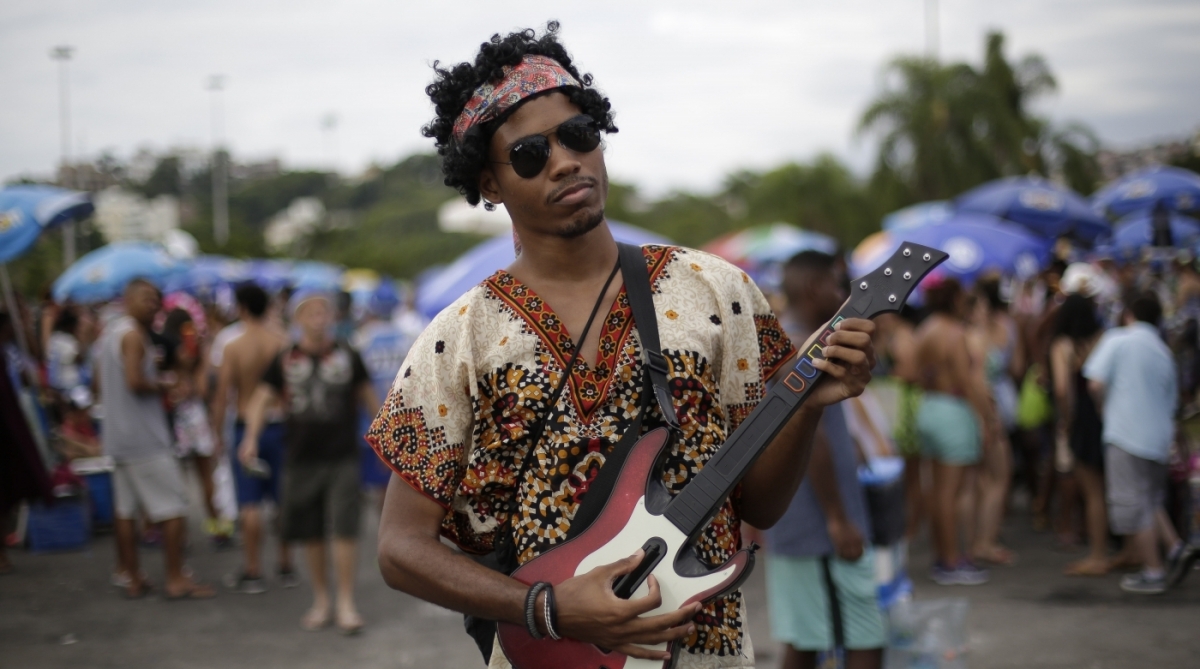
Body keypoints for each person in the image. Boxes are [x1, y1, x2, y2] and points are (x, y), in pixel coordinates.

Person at [366, 24, 874, 669]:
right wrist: (546, 607)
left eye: (578, 134)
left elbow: (761, 508)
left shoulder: (717, 291)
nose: (564, 161)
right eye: (530, 153)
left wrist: (805, 407)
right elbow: (400, 548)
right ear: (490, 183)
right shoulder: (457, 338)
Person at [766, 251, 885, 669]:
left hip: (804, 523)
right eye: (837, 286)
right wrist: (837, 518)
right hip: (817, 527)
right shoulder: (799, 351)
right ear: (815, 288)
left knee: (809, 636)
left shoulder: (789, 343)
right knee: (861, 634)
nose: (841, 296)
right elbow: (811, 439)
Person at [239, 290, 377, 633]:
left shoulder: (348, 354)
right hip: (300, 457)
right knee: (311, 531)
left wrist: (386, 438)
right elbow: (261, 398)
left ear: (332, 318)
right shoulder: (286, 358)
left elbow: (368, 397)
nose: (318, 318)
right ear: (297, 319)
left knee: (345, 528)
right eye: (311, 312)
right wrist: (250, 437)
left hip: (342, 455)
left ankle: (346, 602)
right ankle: (322, 600)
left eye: (323, 312)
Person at [97, 279, 214, 600]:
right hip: (144, 438)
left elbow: (101, 381)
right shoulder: (134, 335)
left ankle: (132, 576)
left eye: (156, 300)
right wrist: (166, 385)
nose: (153, 305)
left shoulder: (111, 333)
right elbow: (135, 381)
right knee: (173, 507)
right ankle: (176, 578)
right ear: (128, 299)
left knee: (126, 511)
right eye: (146, 298)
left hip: (119, 437)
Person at [1083, 291, 1184, 594]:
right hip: (1158, 438)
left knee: (1134, 505)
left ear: (1129, 315)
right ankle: (1175, 549)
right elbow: (1173, 401)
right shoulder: (1163, 351)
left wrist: (1103, 409)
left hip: (1125, 434)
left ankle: (1153, 570)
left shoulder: (1118, 339)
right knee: (1150, 500)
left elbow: (1095, 382)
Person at [211, 283, 294, 593]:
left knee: (249, 502)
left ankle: (253, 569)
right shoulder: (282, 342)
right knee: (282, 498)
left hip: (246, 425)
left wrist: (217, 433)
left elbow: (223, 394)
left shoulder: (233, 346)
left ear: (241, 308)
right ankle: (286, 565)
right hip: (280, 424)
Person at [913, 276, 994, 585]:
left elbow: (914, 372)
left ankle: (943, 558)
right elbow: (966, 380)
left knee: (937, 492)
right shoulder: (954, 333)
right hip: (952, 410)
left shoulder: (925, 330)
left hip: (928, 406)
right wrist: (987, 418)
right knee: (951, 493)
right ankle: (951, 561)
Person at [1050, 293, 1108, 576]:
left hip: (1083, 417)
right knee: (1108, 487)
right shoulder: (1103, 339)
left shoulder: (1063, 345)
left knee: (1092, 491)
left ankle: (1098, 554)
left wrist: (1067, 419)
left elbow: (1062, 389)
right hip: (1107, 415)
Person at [160, 308, 226, 547]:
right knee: (205, 475)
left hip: (173, 419)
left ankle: (180, 536)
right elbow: (202, 388)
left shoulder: (164, 352)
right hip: (195, 417)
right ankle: (217, 528)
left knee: (177, 480)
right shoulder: (195, 351)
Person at [352, 281, 422, 501]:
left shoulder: (362, 338)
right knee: (406, 482)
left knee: (380, 487)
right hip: (405, 418)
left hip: (371, 420)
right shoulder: (409, 336)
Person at [970, 277, 1022, 566]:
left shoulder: (974, 335)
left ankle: (983, 538)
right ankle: (985, 542)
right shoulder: (982, 336)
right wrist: (990, 420)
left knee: (985, 479)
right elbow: (980, 382)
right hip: (988, 412)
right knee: (998, 477)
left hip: (984, 411)